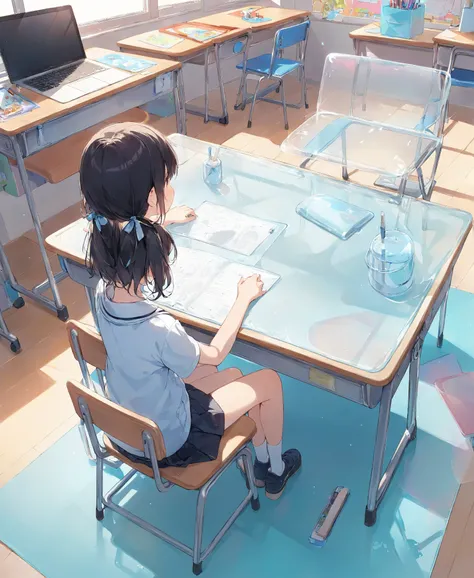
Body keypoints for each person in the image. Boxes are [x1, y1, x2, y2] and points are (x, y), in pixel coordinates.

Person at [80, 123, 301, 500]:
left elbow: (125, 232)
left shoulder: (102, 294)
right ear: (151, 196)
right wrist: (242, 298)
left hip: (135, 425)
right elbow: (214, 351)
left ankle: (262, 457)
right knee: (266, 381)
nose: (172, 187)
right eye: (167, 181)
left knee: (229, 375)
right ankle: (275, 469)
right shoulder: (159, 328)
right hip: (174, 441)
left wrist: (162, 221)